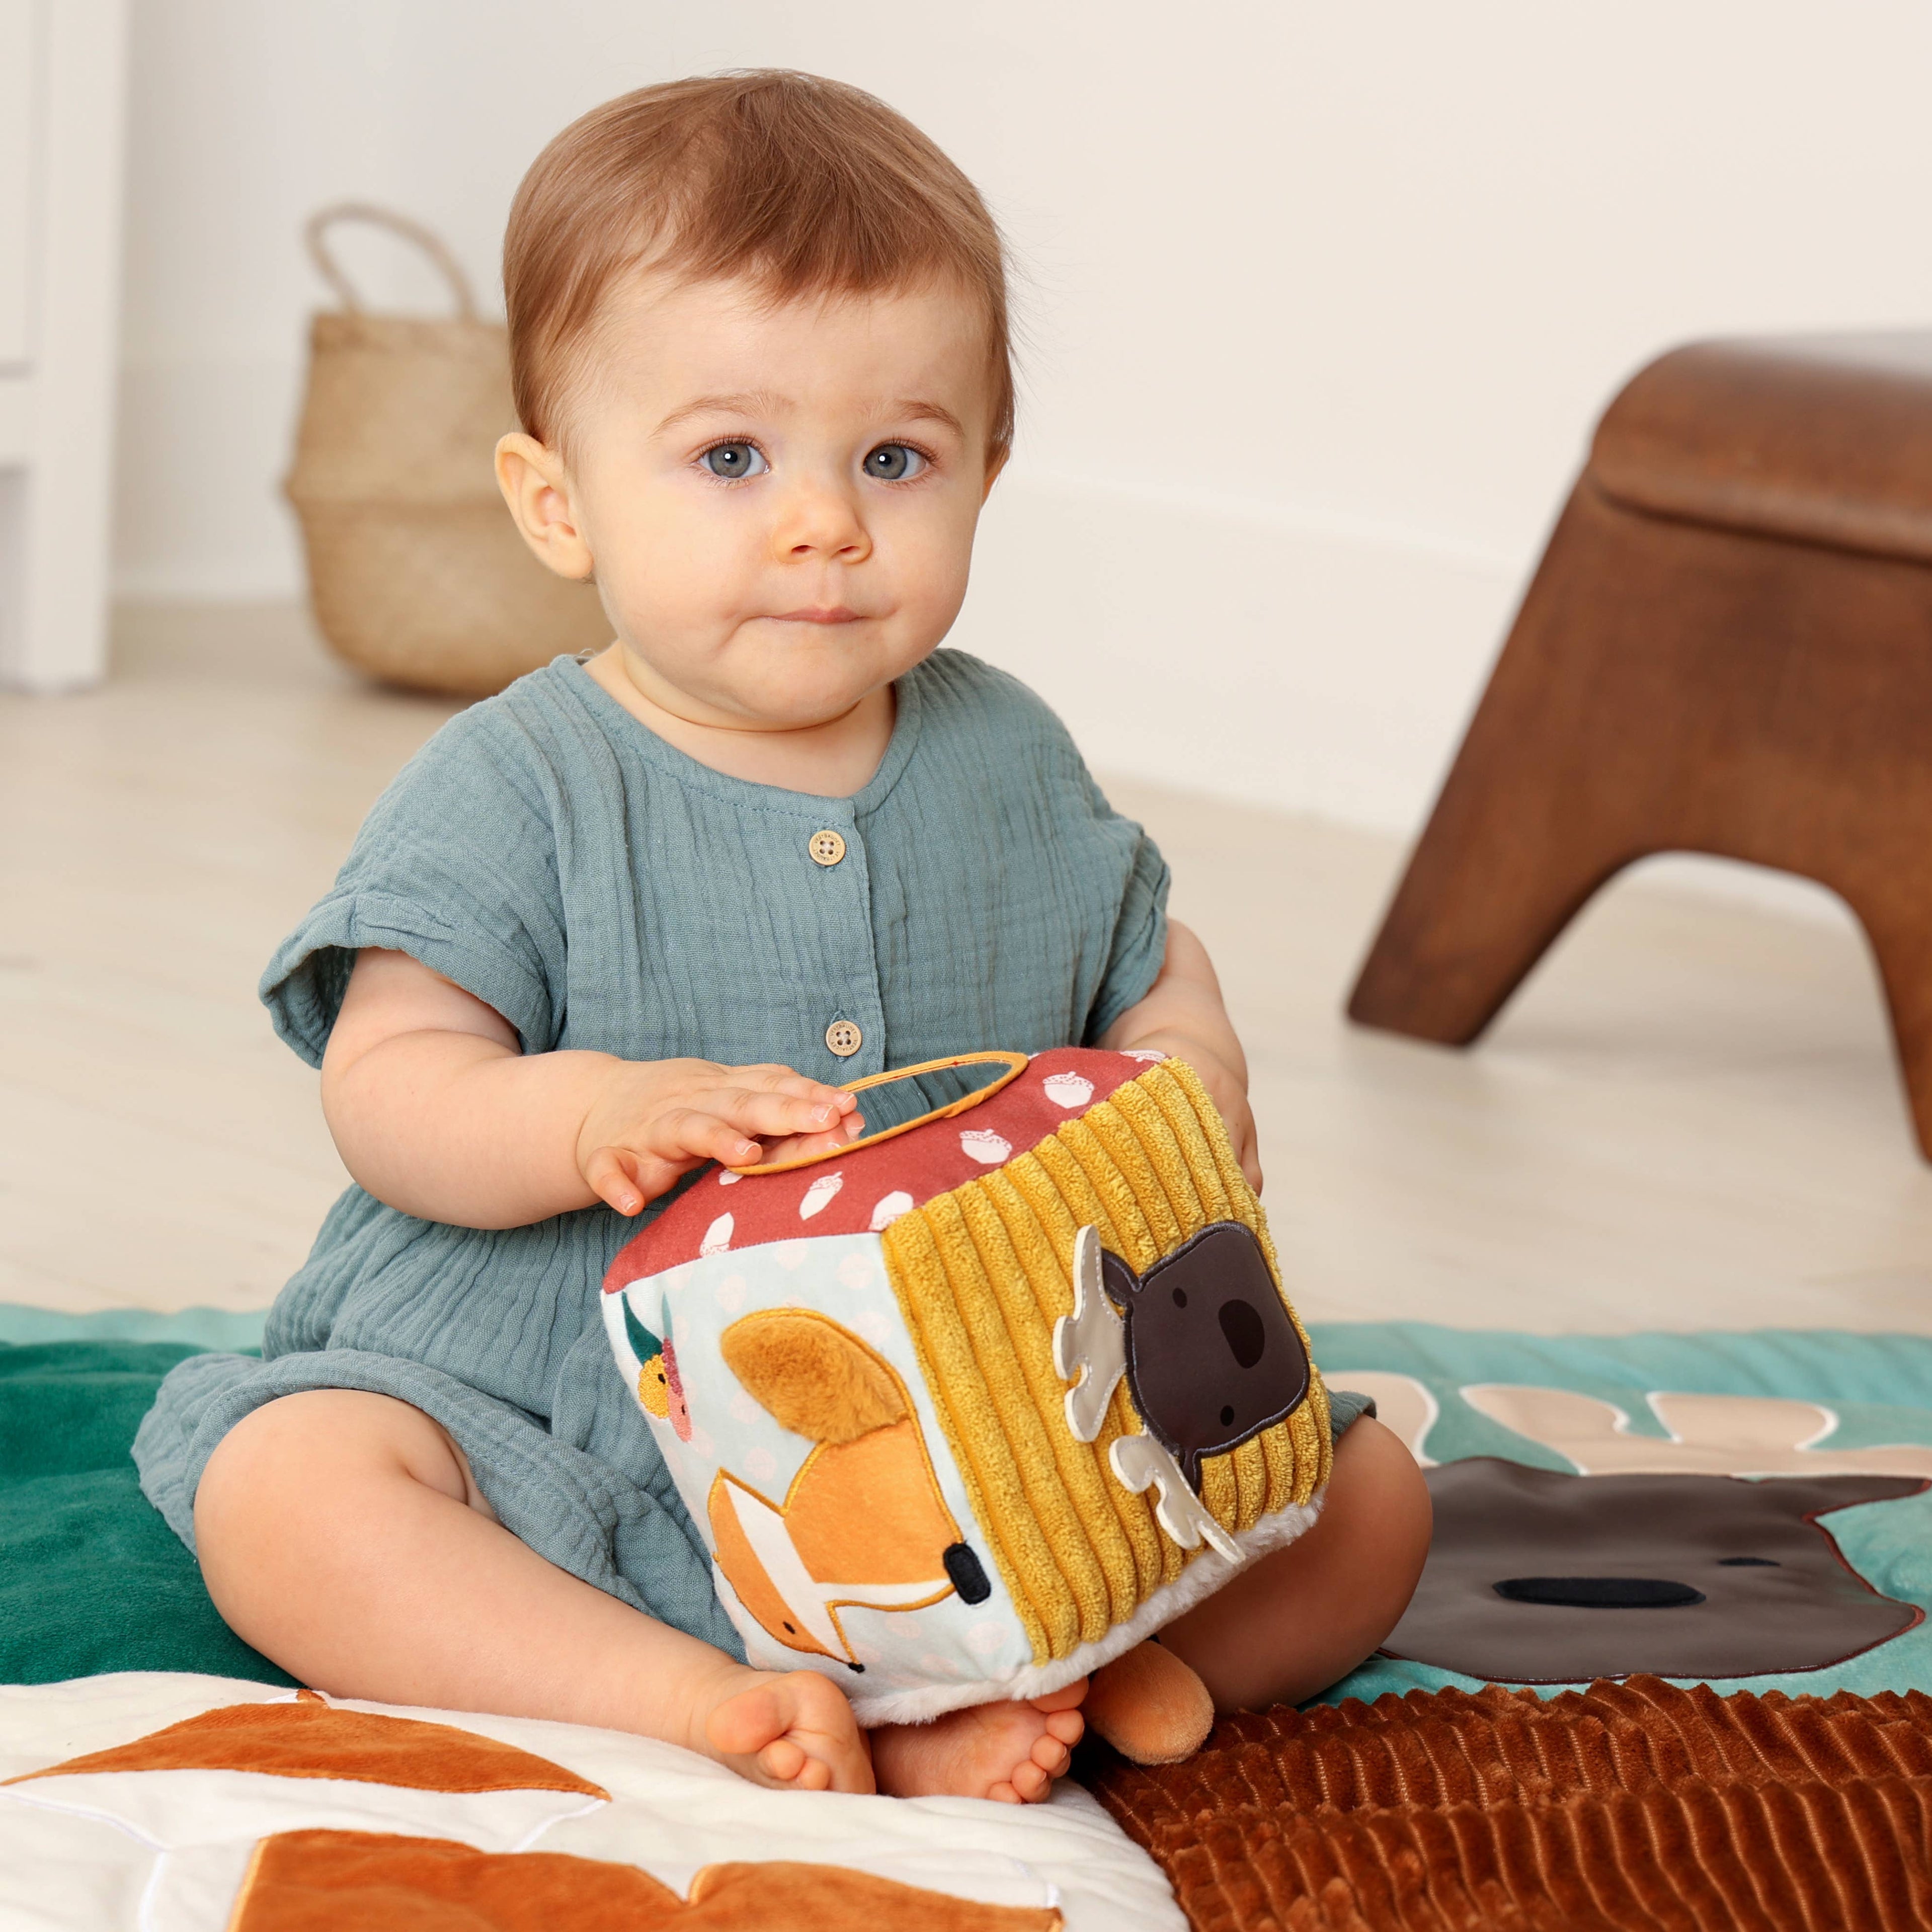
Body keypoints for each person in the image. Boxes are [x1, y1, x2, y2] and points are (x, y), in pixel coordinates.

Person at [135, 70, 1430, 1805]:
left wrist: (1189, 1069)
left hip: (991, 1424)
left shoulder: (1010, 756)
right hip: (567, 1416)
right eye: (731, 457)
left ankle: (1107, 1667)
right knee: (286, 1495)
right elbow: (389, 1079)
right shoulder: (519, 777)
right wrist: (589, 1119)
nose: (825, 521)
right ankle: (689, 1700)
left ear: (987, 470)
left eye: (895, 457)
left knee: (1375, 1501)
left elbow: (1145, 958)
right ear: (557, 502)